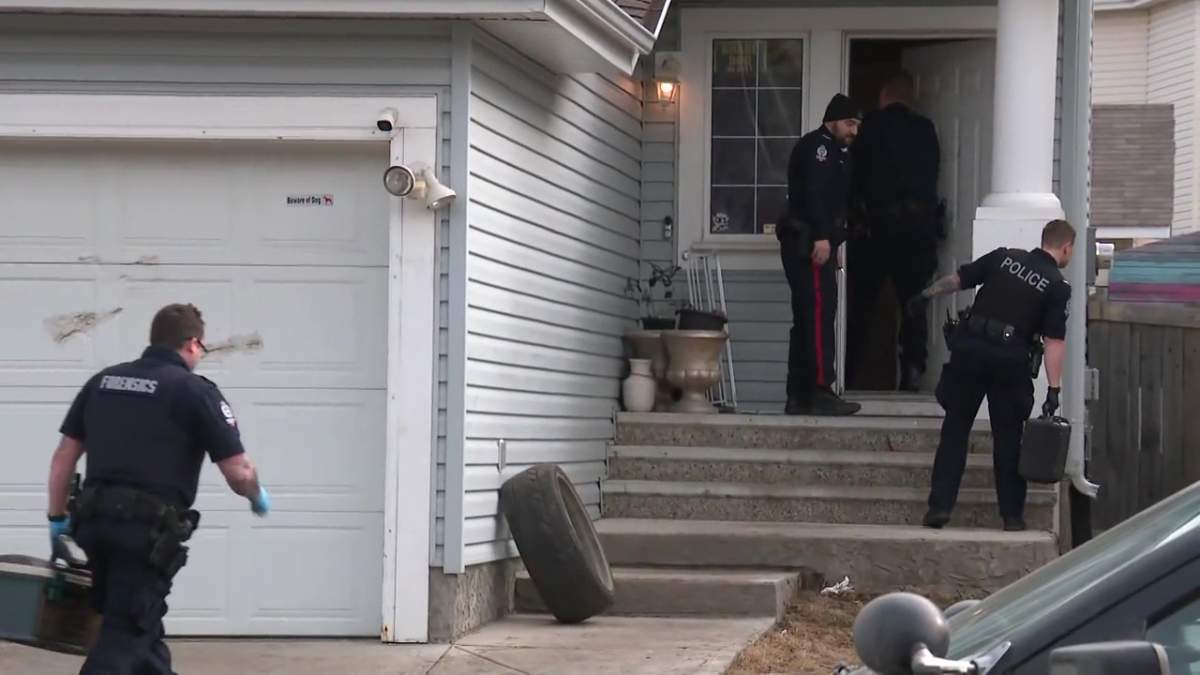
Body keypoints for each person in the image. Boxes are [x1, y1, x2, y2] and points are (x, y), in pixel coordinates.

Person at [46, 303, 270, 674]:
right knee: (124, 634)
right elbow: (240, 472)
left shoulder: (103, 380)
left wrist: (56, 518)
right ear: (193, 344)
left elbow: (63, 458)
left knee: (141, 632)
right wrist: (257, 496)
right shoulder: (195, 392)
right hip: (143, 537)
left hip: (93, 528)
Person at [912, 219, 1075, 531]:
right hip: (1009, 362)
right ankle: (1012, 516)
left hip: (969, 352)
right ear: (1066, 248)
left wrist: (925, 296)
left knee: (955, 431)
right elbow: (1054, 341)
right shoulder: (1056, 285)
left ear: (1043, 240)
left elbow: (958, 280)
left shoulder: (1004, 257)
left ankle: (939, 508)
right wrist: (1054, 389)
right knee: (1009, 439)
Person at [846, 71, 942, 392]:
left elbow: (852, 176)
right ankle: (912, 372)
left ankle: (846, 372)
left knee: (859, 306)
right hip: (916, 233)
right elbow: (932, 177)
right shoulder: (925, 130)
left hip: (874, 232)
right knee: (913, 305)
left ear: (884, 95)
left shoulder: (867, 128)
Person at [776, 93, 863, 416]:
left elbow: (836, 202)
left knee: (807, 317)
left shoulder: (839, 152)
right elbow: (814, 195)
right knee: (817, 315)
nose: (854, 130)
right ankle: (820, 389)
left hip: (817, 242)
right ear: (832, 120)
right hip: (808, 241)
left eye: (857, 125)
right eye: (849, 123)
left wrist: (835, 243)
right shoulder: (819, 149)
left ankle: (798, 394)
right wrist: (824, 237)